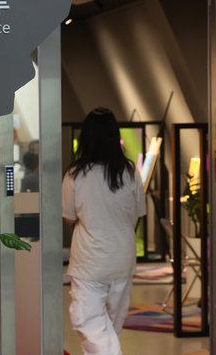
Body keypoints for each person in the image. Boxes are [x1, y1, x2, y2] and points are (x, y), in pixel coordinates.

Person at [62, 108, 146, 355]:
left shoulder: (75, 174)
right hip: (122, 260)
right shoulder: (130, 172)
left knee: (90, 324)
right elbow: (136, 213)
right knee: (110, 328)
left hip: (90, 262)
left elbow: (69, 217)